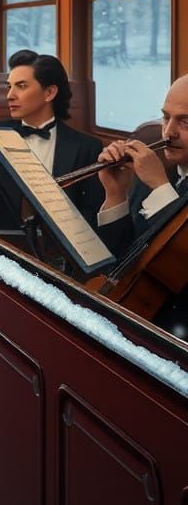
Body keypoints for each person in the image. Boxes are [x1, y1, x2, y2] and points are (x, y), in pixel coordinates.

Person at [0, 50, 105, 238]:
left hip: (59, 258)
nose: (10, 96)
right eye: (9, 87)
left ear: (49, 92)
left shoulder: (87, 147)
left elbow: (92, 219)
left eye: (21, 86)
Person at [95, 74, 188, 328]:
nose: (168, 132)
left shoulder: (156, 177)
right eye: (166, 117)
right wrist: (116, 194)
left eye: (185, 122)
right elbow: (120, 255)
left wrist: (160, 187)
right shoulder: (156, 173)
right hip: (126, 312)